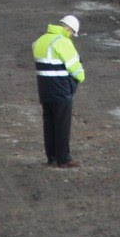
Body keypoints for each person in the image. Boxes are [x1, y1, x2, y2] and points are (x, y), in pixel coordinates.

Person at [32, 15, 86, 168]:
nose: (71, 37)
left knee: (49, 124)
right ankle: (64, 159)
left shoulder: (39, 41)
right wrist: (81, 78)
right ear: (68, 29)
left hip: (44, 89)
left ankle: (52, 158)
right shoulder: (62, 42)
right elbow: (75, 69)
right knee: (62, 124)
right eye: (72, 34)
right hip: (61, 89)